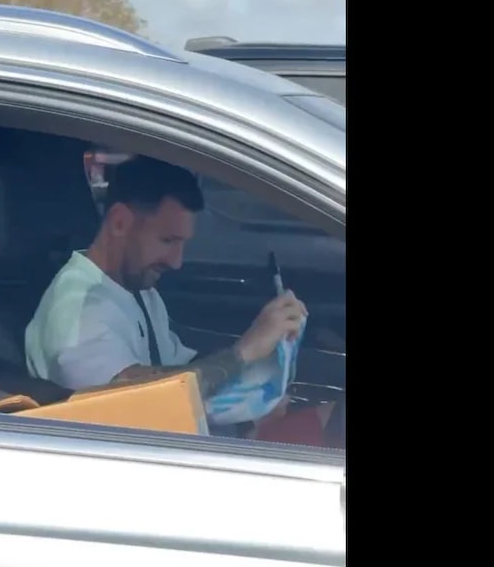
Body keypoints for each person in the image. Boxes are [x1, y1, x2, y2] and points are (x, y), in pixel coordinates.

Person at [23, 155, 309, 411]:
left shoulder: (135, 288)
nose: (176, 261)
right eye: (167, 240)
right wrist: (245, 351)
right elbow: (138, 397)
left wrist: (264, 357)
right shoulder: (78, 315)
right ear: (120, 222)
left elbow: (179, 370)